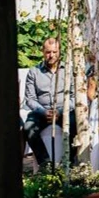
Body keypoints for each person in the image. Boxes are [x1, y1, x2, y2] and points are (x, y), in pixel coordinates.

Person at [23, 37, 78, 167]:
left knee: (75, 125)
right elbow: (30, 99)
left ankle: (69, 163)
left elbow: (75, 97)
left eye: (54, 52)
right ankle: (45, 165)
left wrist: (60, 111)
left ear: (59, 52)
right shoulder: (34, 72)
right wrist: (44, 112)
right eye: (48, 52)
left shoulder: (69, 70)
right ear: (43, 52)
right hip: (41, 111)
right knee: (28, 128)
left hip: (64, 111)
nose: (51, 55)